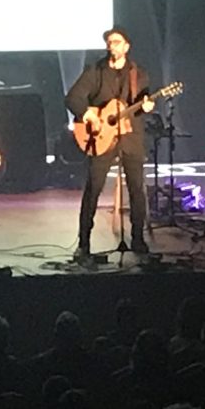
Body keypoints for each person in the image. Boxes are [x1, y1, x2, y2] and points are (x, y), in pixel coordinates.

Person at [66, 27, 155, 261]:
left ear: (127, 47)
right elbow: (73, 97)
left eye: (116, 42)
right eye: (109, 42)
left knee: (137, 189)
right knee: (93, 188)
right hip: (100, 137)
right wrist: (88, 115)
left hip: (130, 136)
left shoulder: (138, 73)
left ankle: (137, 238)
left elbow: (143, 100)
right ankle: (83, 242)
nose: (111, 45)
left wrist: (147, 106)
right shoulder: (95, 71)